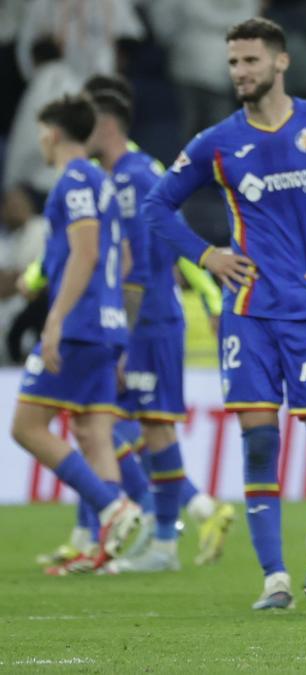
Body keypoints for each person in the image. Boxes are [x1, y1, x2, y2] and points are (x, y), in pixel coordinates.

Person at [141, 17, 306, 609]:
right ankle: (275, 579)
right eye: (233, 63)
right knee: (260, 444)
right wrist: (207, 255)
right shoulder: (218, 142)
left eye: (250, 61)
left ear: (280, 62)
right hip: (250, 315)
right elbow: (157, 206)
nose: (239, 72)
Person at [83, 83, 236, 573]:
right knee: (128, 425)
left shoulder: (135, 178)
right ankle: (169, 523)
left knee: (135, 424)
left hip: (148, 322)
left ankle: (163, 531)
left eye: (87, 125)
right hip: (141, 320)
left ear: (107, 124)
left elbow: (150, 257)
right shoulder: (126, 174)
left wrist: (122, 339)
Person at [9, 94, 145, 572]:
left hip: (80, 326)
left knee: (26, 427)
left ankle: (113, 508)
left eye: (41, 132)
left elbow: (85, 253)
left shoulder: (72, 182)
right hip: (107, 325)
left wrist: (55, 319)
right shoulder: (103, 181)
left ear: (51, 133)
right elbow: (122, 258)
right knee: (92, 432)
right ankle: (102, 549)